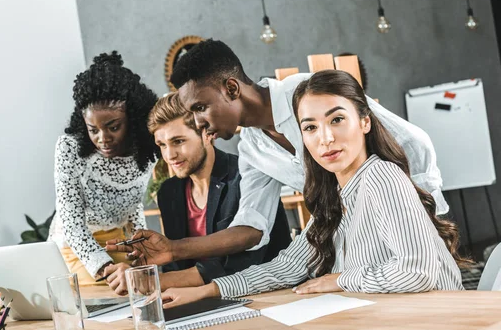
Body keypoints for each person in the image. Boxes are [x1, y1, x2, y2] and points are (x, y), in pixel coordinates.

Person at [106, 39, 449, 269]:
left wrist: (421, 217)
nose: (197, 122)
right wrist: (174, 248)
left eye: (200, 107)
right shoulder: (252, 148)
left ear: (231, 88)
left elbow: (413, 142)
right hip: (353, 253)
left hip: (408, 237)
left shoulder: (309, 92)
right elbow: (252, 228)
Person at [161, 70, 466, 308]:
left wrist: (341, 280)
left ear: (364, 123)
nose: (325, 138)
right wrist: (207, 291)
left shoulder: (381, 176)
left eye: (337, 120)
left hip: (436, 322)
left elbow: (418, 272)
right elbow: (285, 268)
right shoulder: (333, 198)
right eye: (309, 127)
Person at [102, 93, 291, 295]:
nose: (169, 155)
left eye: (178, 141)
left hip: (269, 295)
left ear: (208, 134)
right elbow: (175, 266)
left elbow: (238, 266)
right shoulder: (169, 192)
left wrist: (148, 280)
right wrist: (139, 272)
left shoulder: (246, 178)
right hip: (202, 301)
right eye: (162, 145)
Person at [47, 51, 159, 285]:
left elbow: (134, 205)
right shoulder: (69, 148)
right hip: (74, 248)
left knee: (141, 291)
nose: (102, 138)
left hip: (118, 242)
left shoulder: (146, 149)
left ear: (132, 119)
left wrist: (142, 254)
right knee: (104, 301)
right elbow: (71, 223)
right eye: (93, 129)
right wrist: (105, 268)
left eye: (113, 127)